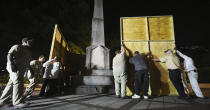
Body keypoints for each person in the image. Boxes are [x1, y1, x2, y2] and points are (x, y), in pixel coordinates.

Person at [0, 37, 32, 108]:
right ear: (25, 41)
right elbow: (9, 54)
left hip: (21, 69)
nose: (31, 43)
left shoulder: (28, 51)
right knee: (18, 82)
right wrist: (11, 64)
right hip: (15, 67)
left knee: (10, 84)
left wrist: (30, 70)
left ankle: (2, 102)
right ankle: (17, 102)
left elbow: (27, 62)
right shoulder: (18, 46)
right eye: (30, 41)